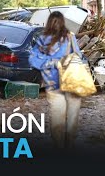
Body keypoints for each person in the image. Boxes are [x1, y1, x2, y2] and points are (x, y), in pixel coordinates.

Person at [29, 11, 83, 148]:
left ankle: (63, 148)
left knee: (62, 118)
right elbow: (79, 57)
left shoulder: (66, 37)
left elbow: (33, 59)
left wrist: (49, 63)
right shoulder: (47, 39)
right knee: (69, 118)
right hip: (67, 82)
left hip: (57, 83)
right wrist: (55, 62)